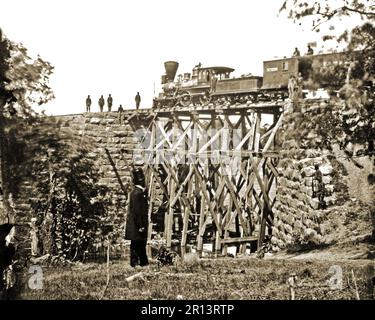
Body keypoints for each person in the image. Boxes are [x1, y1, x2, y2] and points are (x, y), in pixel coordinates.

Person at [125, 167, 149, 267]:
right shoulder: (137, 193)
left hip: (137, 223)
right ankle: (137, 263)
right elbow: (137, 211)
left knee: (139, 244)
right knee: (137, 244)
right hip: (137, 224)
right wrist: (140, 225)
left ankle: (141, 263)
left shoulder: (137, 192)